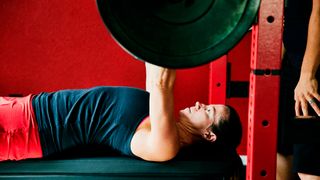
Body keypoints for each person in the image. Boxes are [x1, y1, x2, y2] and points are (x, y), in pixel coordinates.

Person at [0, 63, 242, 162]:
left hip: (28, 128)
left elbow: (161, 82)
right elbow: (153, 68)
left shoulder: (165, 143)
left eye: (208, 110)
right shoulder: (160, 118)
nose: (200, 104)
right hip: (29, 109)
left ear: (210, 135)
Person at [277, 0, 320, 179]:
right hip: (291, 66)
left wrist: (308, 75)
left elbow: (319, 14)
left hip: (312, 70)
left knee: (307, 164)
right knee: (281, 149)